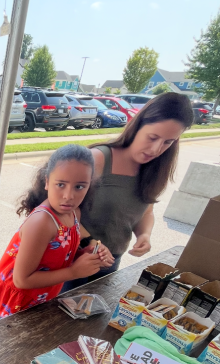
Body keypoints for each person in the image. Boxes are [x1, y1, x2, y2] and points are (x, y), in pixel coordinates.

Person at [59, 92, 194, 293]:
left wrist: (144, 235)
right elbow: (60, 210)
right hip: (72, 259)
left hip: (111, 261)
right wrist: (90, 242)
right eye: (153, 137)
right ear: (137, 125)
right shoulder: (97, 159)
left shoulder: (155, 170)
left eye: (168, 142)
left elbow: (146, 212)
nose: (156, 149)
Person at [0, 145, 114, 321]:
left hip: (39, 300)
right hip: (13, 305)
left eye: (79, 187)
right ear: (46, 182)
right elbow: (21, 280)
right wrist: (74, 272)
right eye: (60, 184)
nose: (68, 195)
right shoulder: (42, 222)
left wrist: (84, 255)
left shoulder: (74, 213)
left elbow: (57, 255)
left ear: (89, 185)